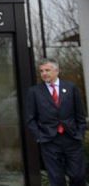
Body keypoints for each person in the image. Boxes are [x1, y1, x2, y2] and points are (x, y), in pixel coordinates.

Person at [26, 58, 87, 186]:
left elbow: (80, 115)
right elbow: (30, 119)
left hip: (72, 138)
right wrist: (39, 136)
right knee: (56, 178)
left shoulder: (71, 88)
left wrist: (80, 134)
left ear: (57, 71)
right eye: (41, 71)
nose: (44, 73)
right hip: (49, 141)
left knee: (78, 175)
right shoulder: (34, 92)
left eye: (47, 70)